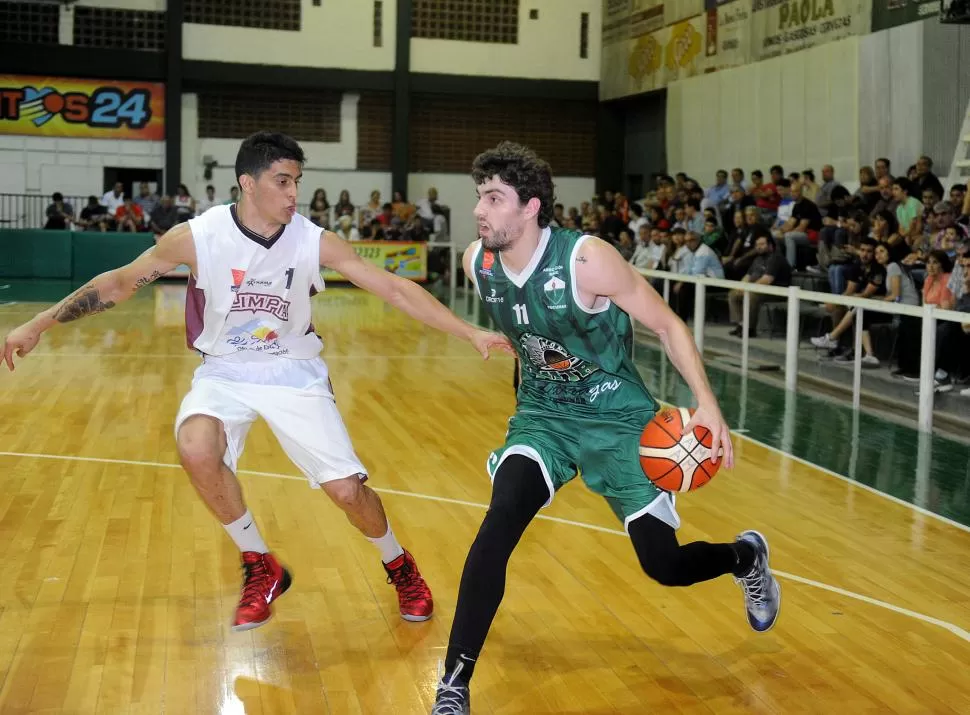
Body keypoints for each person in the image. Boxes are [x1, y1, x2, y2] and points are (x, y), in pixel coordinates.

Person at [2, 131, 511, 633]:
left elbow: (396, 289)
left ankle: (398, 564)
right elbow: (117, 283)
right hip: (224, 369)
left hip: (293, 370)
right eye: (283, 181)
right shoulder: (197, 237)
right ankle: (259, 563)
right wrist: (39, 323)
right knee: (196, 446)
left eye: (297, 182)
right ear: (247, 183)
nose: (294, 194)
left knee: (345, 493)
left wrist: (468, 332)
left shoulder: (313, 240)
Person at [431, 142, 780, 714]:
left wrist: (707, 404)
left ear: (531, 207)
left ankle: (745, 559)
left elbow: (667, 324)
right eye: (479, 197)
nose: (480, 210)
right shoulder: (479, 263)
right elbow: (535, 341)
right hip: (544, 420)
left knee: (663, 566)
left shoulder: (586, 260)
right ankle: (454, 682)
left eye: (494, 198)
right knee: (498, 526)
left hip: (619, 422)